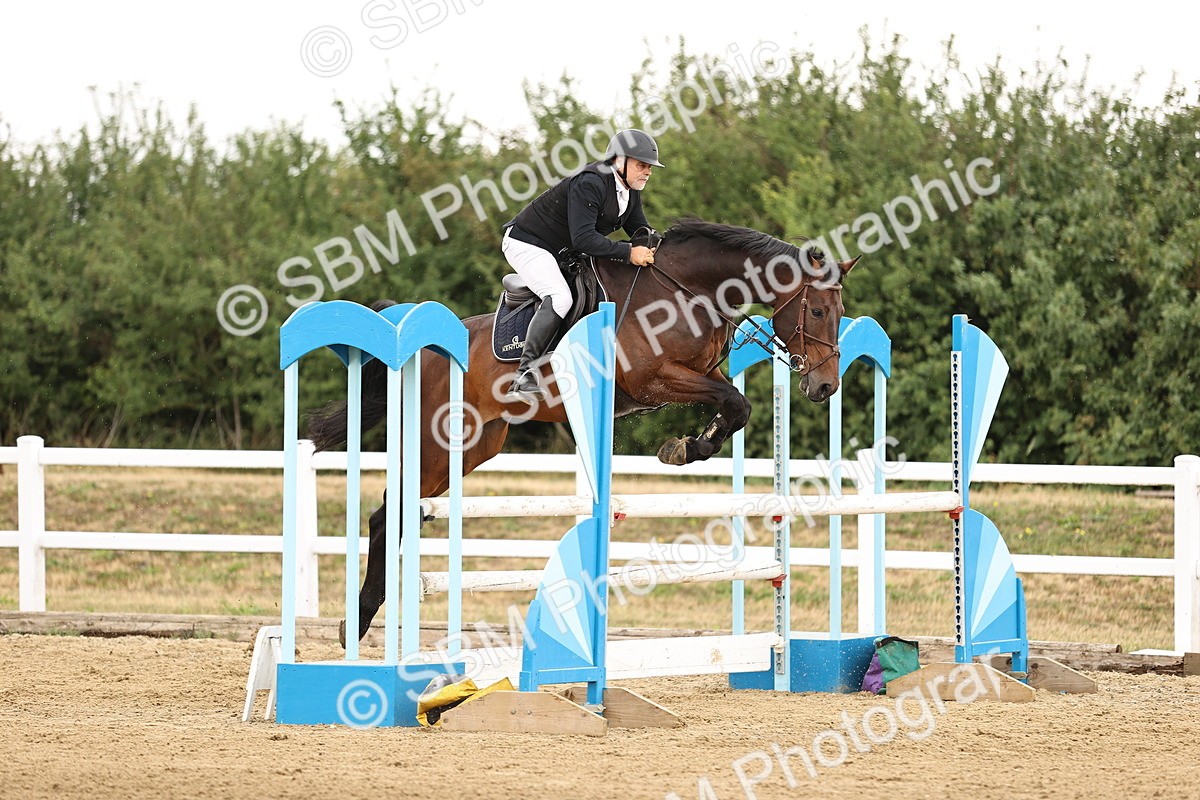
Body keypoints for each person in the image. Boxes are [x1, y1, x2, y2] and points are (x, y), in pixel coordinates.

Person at [501, 128, 663, 401]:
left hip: (563, 251)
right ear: (619, 161)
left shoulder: (629, 191)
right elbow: (585, 239)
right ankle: (524, 374)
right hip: (528, 243)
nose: (647, 172)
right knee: (560, 297)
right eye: (641, 165)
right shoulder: (591, 183)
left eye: (649, 167)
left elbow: (642, 233)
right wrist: (628, 253)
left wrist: (667, 248)